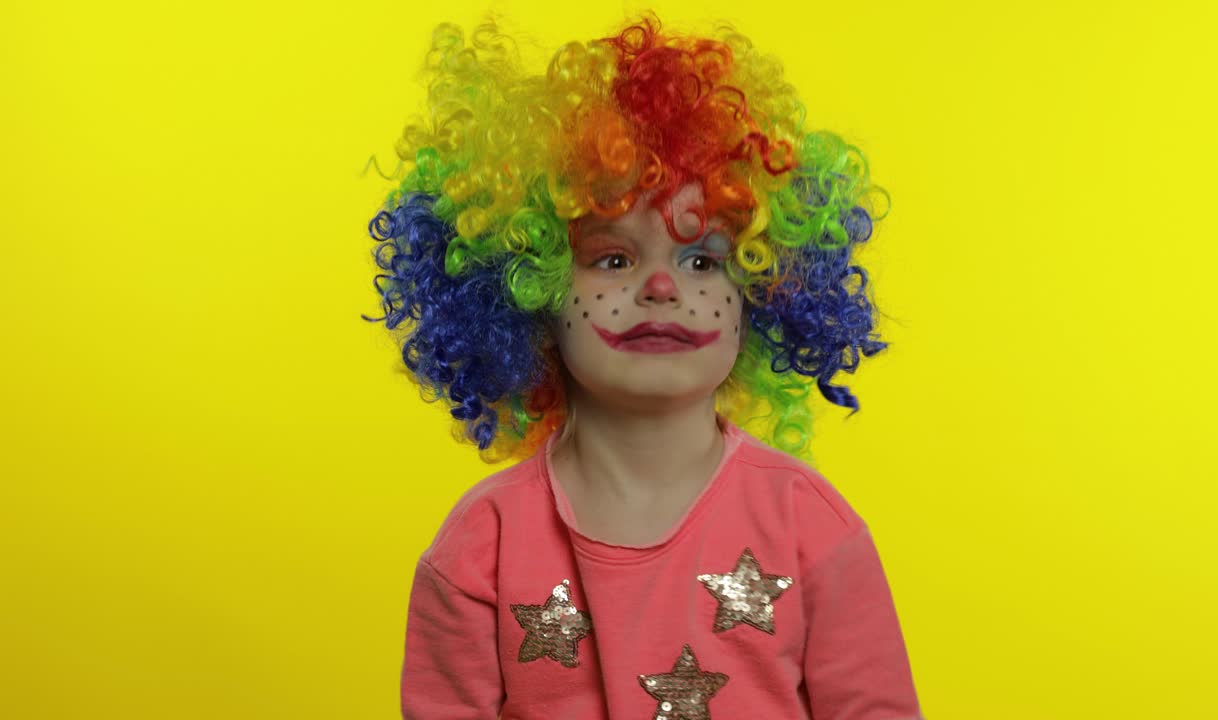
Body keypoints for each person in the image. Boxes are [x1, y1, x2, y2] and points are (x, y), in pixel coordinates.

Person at [364, 13, 924, 719]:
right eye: (613, 258)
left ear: (763, 290)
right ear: (526, 285)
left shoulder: (810, 526)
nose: (662, 288)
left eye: (702, 259)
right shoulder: (484, 545)